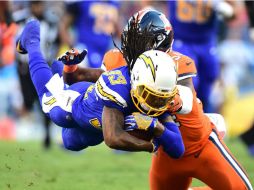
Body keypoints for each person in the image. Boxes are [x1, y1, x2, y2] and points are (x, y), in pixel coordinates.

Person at [62, 9, 252, 190]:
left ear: (157, 42)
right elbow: (84, 77)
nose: (129, 44)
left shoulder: (178, 63)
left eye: (137, 39)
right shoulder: (118, 60)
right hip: (166, 153)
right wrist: (70, 68)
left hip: (201, 147)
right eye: (130, 37)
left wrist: (164, 98)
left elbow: (185, 98)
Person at [16, 19, 184, 156]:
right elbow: (113, 139)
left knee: (70, 143)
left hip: (96, 129)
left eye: (158, 98)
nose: (153, 103)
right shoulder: (119, 86)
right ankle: (31, 40)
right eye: (148, 95)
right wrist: (150, 146)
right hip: (75, 105)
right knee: (52, 106)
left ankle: (58, 69)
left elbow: (178, 149)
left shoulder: (161, 90)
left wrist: (156, 126)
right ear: (136, 81)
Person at [167, 1, 235, 112]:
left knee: (210, 77)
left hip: (206, 42)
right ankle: (186, 117)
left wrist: (227, 10)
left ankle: (205, 115)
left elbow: (233, 13)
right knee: (189, 81)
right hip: (182, 41)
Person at [59, 0, 119, 68]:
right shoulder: (82, 2)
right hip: (84, 50)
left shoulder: (114, 4)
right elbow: (63, 26)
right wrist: (71, 46)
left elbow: (118, 29)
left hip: (105, 51)